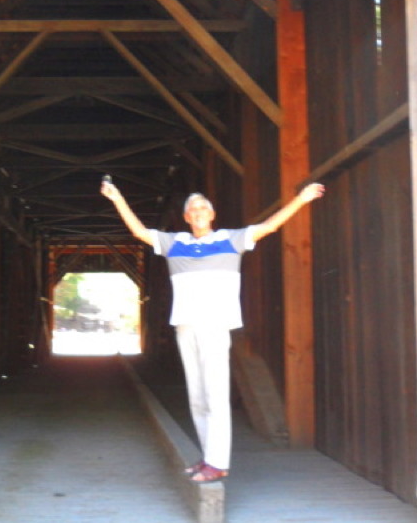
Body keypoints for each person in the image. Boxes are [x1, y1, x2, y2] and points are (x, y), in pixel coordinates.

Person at [101, 177, 325, 482]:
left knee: (215, 394)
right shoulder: (174, 243)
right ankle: (208, 458)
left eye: (203, 207)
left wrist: (302, 199)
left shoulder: (231, 240)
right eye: (192, 209)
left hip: (215, 325)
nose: (198, 211)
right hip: (185, 325)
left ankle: (218, 462)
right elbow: (139, 232)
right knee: (197, 395)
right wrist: (117, 199)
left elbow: (270, 226)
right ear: (186, 217)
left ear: (212, 214)